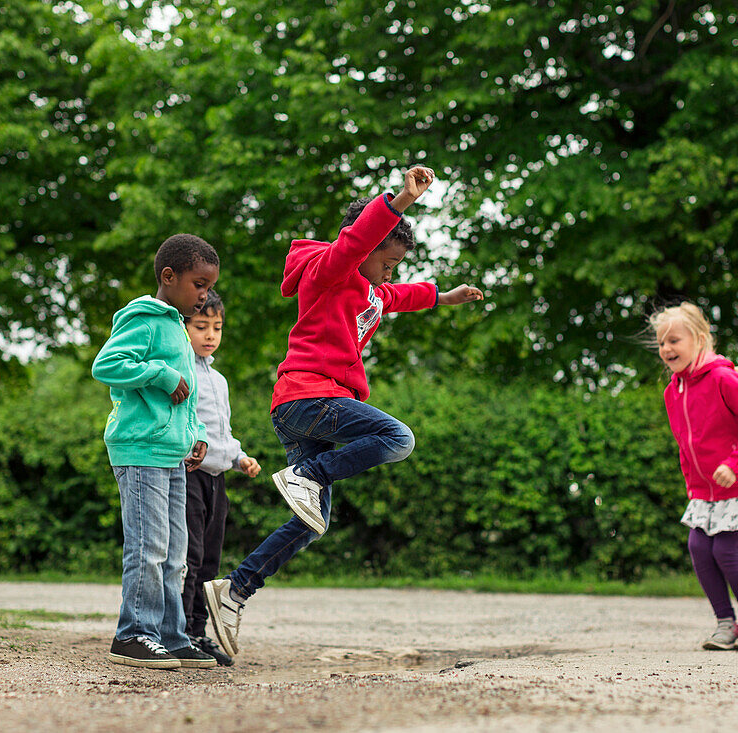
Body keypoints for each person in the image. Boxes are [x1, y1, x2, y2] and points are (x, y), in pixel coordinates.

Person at [203, 165, 484, 658]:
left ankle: (235, 591)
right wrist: (398, 202)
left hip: (312, 407)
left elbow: (397, 296)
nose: (390, 271)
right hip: (309, 396)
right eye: (388, 261)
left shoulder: (372, 290)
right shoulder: (331, 270)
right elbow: (354, 245)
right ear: (367, 249)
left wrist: (445, 295)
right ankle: (308, 474)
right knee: (398, 438)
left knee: (312, 522)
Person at [91, 233, 221, 669]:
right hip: (140, 450)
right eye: (198, 284)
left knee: (175, 550)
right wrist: (161, 374)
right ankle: (132, 634)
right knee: (148, 547)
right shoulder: (143, 318)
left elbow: (188, 395)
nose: (204, 295)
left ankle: (170, 634)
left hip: (170, 453)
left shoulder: (179, 331)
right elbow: (106, 365)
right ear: (169, 277)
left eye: (208, 286)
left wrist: (198, 433)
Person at [650, 302, 738, 651]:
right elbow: (684, 444)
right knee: (698, 547)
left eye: (674, 340)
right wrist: (694, 485)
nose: (666, 349)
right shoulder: (672, 391)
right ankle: (726, 623)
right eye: (661, 343)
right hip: (705, 490)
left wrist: (734, 465)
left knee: (725, 550)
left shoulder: (725, 378)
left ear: (700, 339)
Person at [180, 289, 261, 666]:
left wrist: (239, 457)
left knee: (210, 559)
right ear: (184, 328)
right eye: (201, 326)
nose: (210, 335)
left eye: (216, 327)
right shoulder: (181, 373)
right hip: (189, 475)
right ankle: (178, 633)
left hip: (217, 479)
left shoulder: (220, 379)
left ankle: (198, 632)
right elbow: (184, 424)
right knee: (190, 557)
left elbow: (223, 431)